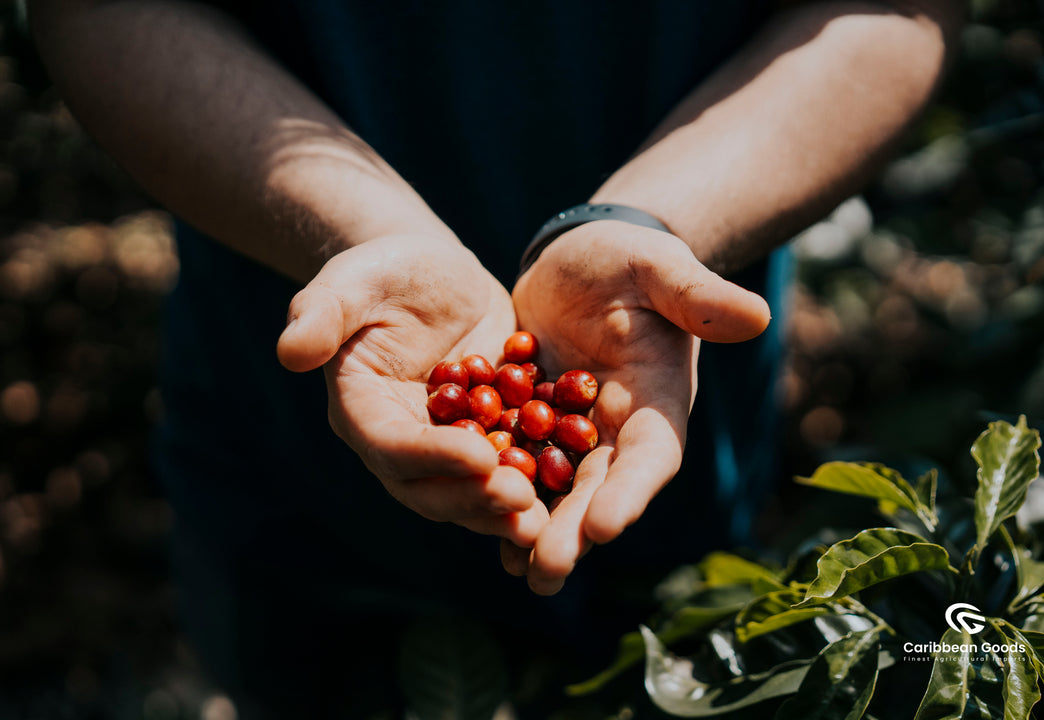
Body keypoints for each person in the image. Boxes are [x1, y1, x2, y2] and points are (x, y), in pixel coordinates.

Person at [28, 0, 963, 715]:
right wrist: (362, 229)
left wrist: (649, 221)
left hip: (672, 451)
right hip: (289, 486)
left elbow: (896, 13)